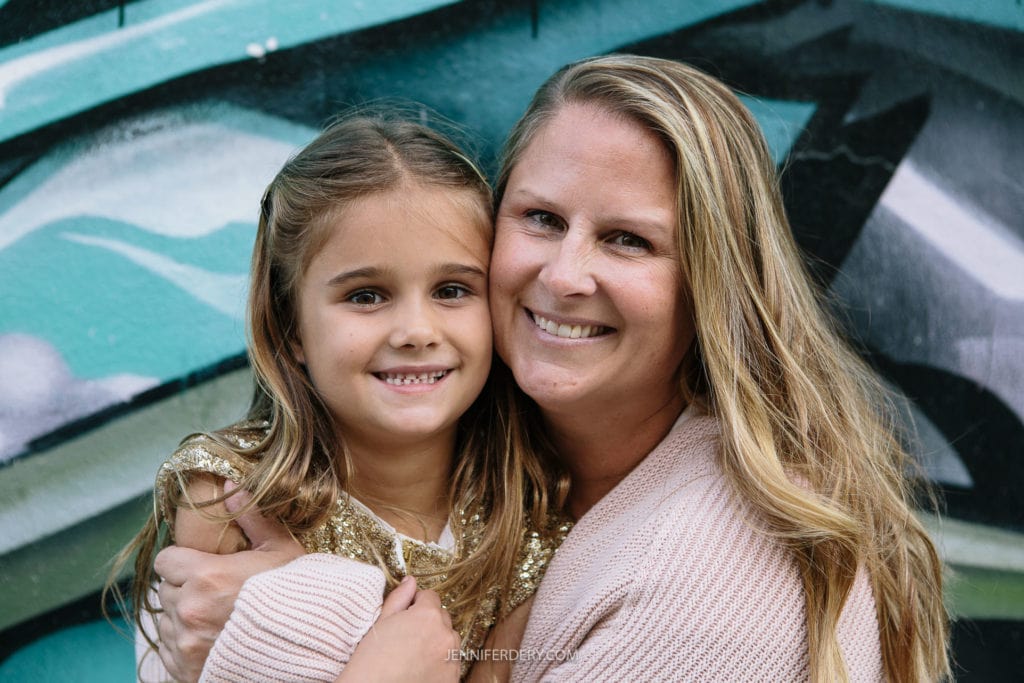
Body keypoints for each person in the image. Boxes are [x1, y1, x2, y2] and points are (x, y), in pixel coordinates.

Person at [151, 55, 951, 682]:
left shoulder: (712, 573)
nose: (565, 274)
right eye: (541, 217)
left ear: (714, 283)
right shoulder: (522, 477)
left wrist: (296, 624)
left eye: (627, 239)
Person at [104, 111, 570, 683]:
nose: (416, 331)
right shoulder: (233, 497)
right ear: (291, 326)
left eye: (452, 290)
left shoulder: (528, 509)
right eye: (367, 295)